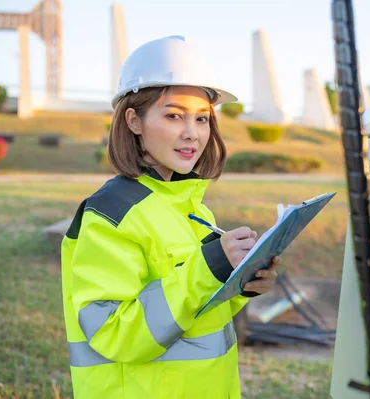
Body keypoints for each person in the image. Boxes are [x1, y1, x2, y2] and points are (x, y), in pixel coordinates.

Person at [61, 35, 280, 399]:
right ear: (134, 121)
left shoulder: (192, 207)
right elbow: (114, 334)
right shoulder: (111, 214)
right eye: (174, 115)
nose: (192, 133)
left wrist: (242, 282)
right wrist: (209, 268)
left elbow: (195, 309)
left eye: (202, 118)